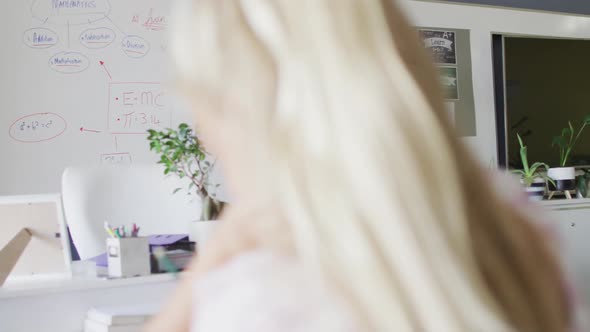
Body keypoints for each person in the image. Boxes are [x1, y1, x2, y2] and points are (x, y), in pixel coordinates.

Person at [145, 0, 571, 331]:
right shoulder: (516, 226)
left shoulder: (261, 298)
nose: (203, 135)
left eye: (205, 104)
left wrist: (208, 266)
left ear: (255, 109)